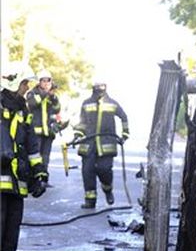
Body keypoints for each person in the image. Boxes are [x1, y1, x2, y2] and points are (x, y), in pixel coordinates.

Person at [1, 62, 48, 251]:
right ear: (13, 82)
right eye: (24, 83)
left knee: (12, 229)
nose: (27, 87)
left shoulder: (24, 110)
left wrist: (39, 173)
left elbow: (32, 144)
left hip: (17, 181)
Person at [72, 80, 129, 209]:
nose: (100, 89)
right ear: (93, 87)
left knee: (104, 170)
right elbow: (82, 122)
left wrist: (125, 134)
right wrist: (77, 134)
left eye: (102, 86)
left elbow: (124, 117)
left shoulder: (112, 103)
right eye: (97, 86)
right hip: (89, 145)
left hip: (106, 144)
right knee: (88, 172)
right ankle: (90, 200)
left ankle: (107, 189)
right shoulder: (86, 103)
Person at [26, 69, 62, 172]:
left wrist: (53, 98)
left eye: (48, 81)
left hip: (48, 133)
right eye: (44, 81)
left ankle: (44, 179)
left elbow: (57, 109)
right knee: (35, 158)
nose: (46, 83)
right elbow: (32, 104)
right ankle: (34, 179)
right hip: (35, 132)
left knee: (45, 158)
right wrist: (45, 94)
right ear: (39, 82)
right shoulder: (32, 93)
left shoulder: (52, 96)